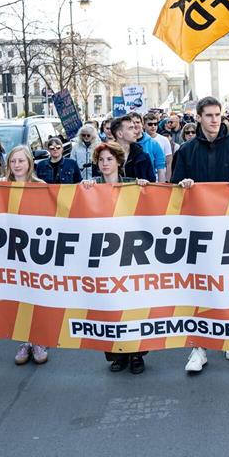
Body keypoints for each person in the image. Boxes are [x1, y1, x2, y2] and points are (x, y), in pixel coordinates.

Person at [171, 97, 229, 372]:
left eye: (218, 114)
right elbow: (173, 190)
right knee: (198, 287)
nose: (214, 119)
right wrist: (182, 185)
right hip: (197, 229)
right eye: (208, 115)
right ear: (198, 117)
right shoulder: (186, 150)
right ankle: (199, 347)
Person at [81, 142, 149, 373]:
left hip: (131, 254)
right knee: (109, 306)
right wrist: (84, 188)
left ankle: (137, 354)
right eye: (101, 160)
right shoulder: (92, 186)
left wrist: (145, 188)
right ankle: (117, 354)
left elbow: (151, 205)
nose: (105, 164)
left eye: (109, 159)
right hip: (105, 256)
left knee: (133, 305)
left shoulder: (132, 184)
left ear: (119, 162)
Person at [0, 146, 52, 365]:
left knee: (36, 295)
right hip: (9, 250)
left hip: (35, 249)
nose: (17, 165)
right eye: (13, 161)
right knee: (18, 296)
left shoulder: (40, 187)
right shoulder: (0, 186)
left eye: (21, 161)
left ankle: (39, 340)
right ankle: (25, 340)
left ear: (30, 163)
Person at [129, 113, 166, 182]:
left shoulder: (153, 144)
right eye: (132, 122)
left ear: (142, 124)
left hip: (148, 184)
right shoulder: (124, 144)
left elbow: (160, 169)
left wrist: (161, 189)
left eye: (138, 122)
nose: (135, 125)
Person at [143, 114, 174, 182]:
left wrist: (168, 180)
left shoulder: (164, 140)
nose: (153, 126)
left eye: (155, 124)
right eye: (150, 124)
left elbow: (169, 162)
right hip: (144, 178)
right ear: (144, 125)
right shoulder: (138, 140)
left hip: (161, 176)